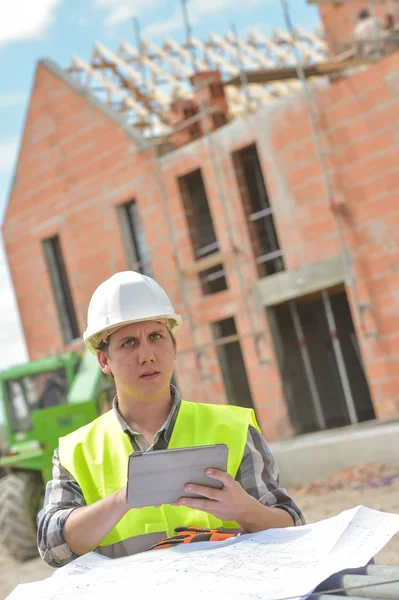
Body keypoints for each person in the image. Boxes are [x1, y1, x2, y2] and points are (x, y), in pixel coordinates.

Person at [37, 271, 304, 566]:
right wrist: (123, 499)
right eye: (128, 343)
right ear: (104, 360)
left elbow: (291, 527)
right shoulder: (77, 451)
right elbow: (53, 549)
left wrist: (244, 509)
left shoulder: (233, 428)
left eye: (155, 337)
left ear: (174, 347)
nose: (147, 355)